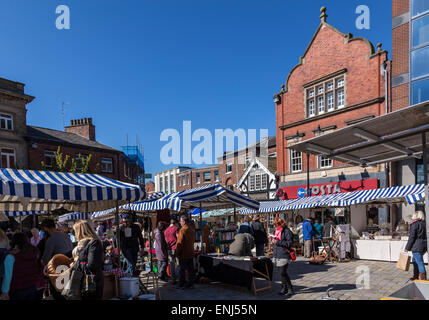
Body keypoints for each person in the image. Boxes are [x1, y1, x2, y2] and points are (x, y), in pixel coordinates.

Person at [1, 233, 41, 300]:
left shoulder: (11, 256)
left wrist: (5, 292)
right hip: (32, 287)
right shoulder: (34, 253)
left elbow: (8, 276)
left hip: (17, 289)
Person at [73, 220, 105, 300]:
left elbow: (91, 265)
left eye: (75, 231)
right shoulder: (83, 244)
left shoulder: (94, 243)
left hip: (92, 284)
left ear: (80, 231)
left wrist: (76, 264)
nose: (75, 234)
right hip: (84, 283)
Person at [273, 218, 295, 296]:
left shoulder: (286, 231)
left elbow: (289, 243)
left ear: (280, 224)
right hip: (277, 253)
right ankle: (284, 288)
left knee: (283, 272)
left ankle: (290, 288)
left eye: (276, 225)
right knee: (281, 273)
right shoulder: (277, 231)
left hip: (284, 254)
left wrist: (278, 242)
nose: (274, 226)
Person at [405, 211, 427, 280]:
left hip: (417, 246)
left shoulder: (415, 224)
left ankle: (423, 279)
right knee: (415, 260)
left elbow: (412, 237)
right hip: (423, 245)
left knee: (419, 262)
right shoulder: (424, 224)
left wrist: (407, 247)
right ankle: (415, 276)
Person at [175, 215, 196, 289]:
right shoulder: (191, 229)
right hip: (191, 252)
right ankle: (191, 283)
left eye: (180, 221)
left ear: (183, 222)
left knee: (182, 270)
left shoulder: (182, 230)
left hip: (184, 253)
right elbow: (193, 241)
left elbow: (179, 243)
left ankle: (182, 284)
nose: (180, 223)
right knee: (190, 269)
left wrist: (177, 253)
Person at [164, 218, 179, 284]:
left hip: (169, 248)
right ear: (175, 223)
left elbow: (165, 240)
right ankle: (179, 277)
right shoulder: (176, 228)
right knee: (178, 263)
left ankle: (173, 279)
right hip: (175, 248)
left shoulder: (166, 230)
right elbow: (178, 238)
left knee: (171, 264)